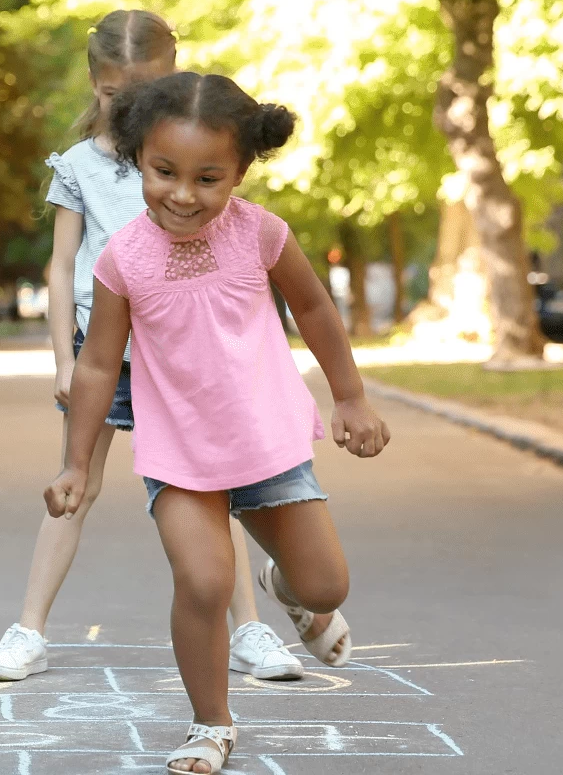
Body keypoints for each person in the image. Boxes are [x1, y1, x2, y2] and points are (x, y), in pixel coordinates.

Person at [45, 72, 390, 774]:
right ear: (138, 158)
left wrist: (350, 396)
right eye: (163, 171)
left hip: (267, 444)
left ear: (240, 172)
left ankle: (288, 591)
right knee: (202, 583)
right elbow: (96, 365)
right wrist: (77, 462)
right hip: (180, 456)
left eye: (208, 178)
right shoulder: (123, 260)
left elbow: (316, 310)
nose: (182, 194)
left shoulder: (261, 233)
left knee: (326, 586)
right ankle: (210, 725)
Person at [0, 10, 306, 689]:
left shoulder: (189, 155)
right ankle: (28, 630)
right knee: (75, 483)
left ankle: (250, 629)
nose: (127, 109)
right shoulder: (77, 167)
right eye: (114, 96)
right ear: (94, 82)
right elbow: (61, 265)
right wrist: (64, 362)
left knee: (218, 488)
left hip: (187, 353)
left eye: (145, 93)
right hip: (106, 350)